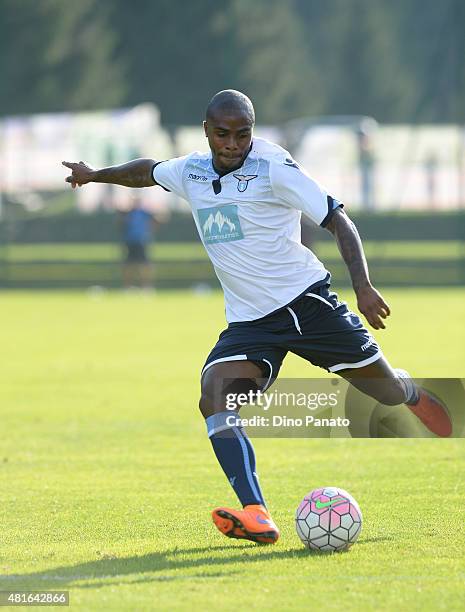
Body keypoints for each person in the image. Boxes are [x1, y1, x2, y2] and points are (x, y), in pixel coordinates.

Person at [62, 90, 452, 546]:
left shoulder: (274, 167)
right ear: (207, 131)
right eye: (223, 134)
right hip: (250, 324)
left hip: (307, 305)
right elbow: (147, 171)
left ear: (253, 131)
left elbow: (337, 219)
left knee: (384, 392)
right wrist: (94, 176)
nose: (232, 144)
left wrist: (363, 285)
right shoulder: (190, 169)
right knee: (214, 396)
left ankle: (408, 390)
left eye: (242, 134)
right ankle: (256, 513)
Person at [120, 198, 157, 290]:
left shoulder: (144, 213)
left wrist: (148, 232)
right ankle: (127, 287)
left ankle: (146, 286)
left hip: (141, 241)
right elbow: (121, 224)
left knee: (144, 265)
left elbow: (156, 220)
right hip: (131, 242)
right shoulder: (129, 213)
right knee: (129, 265)